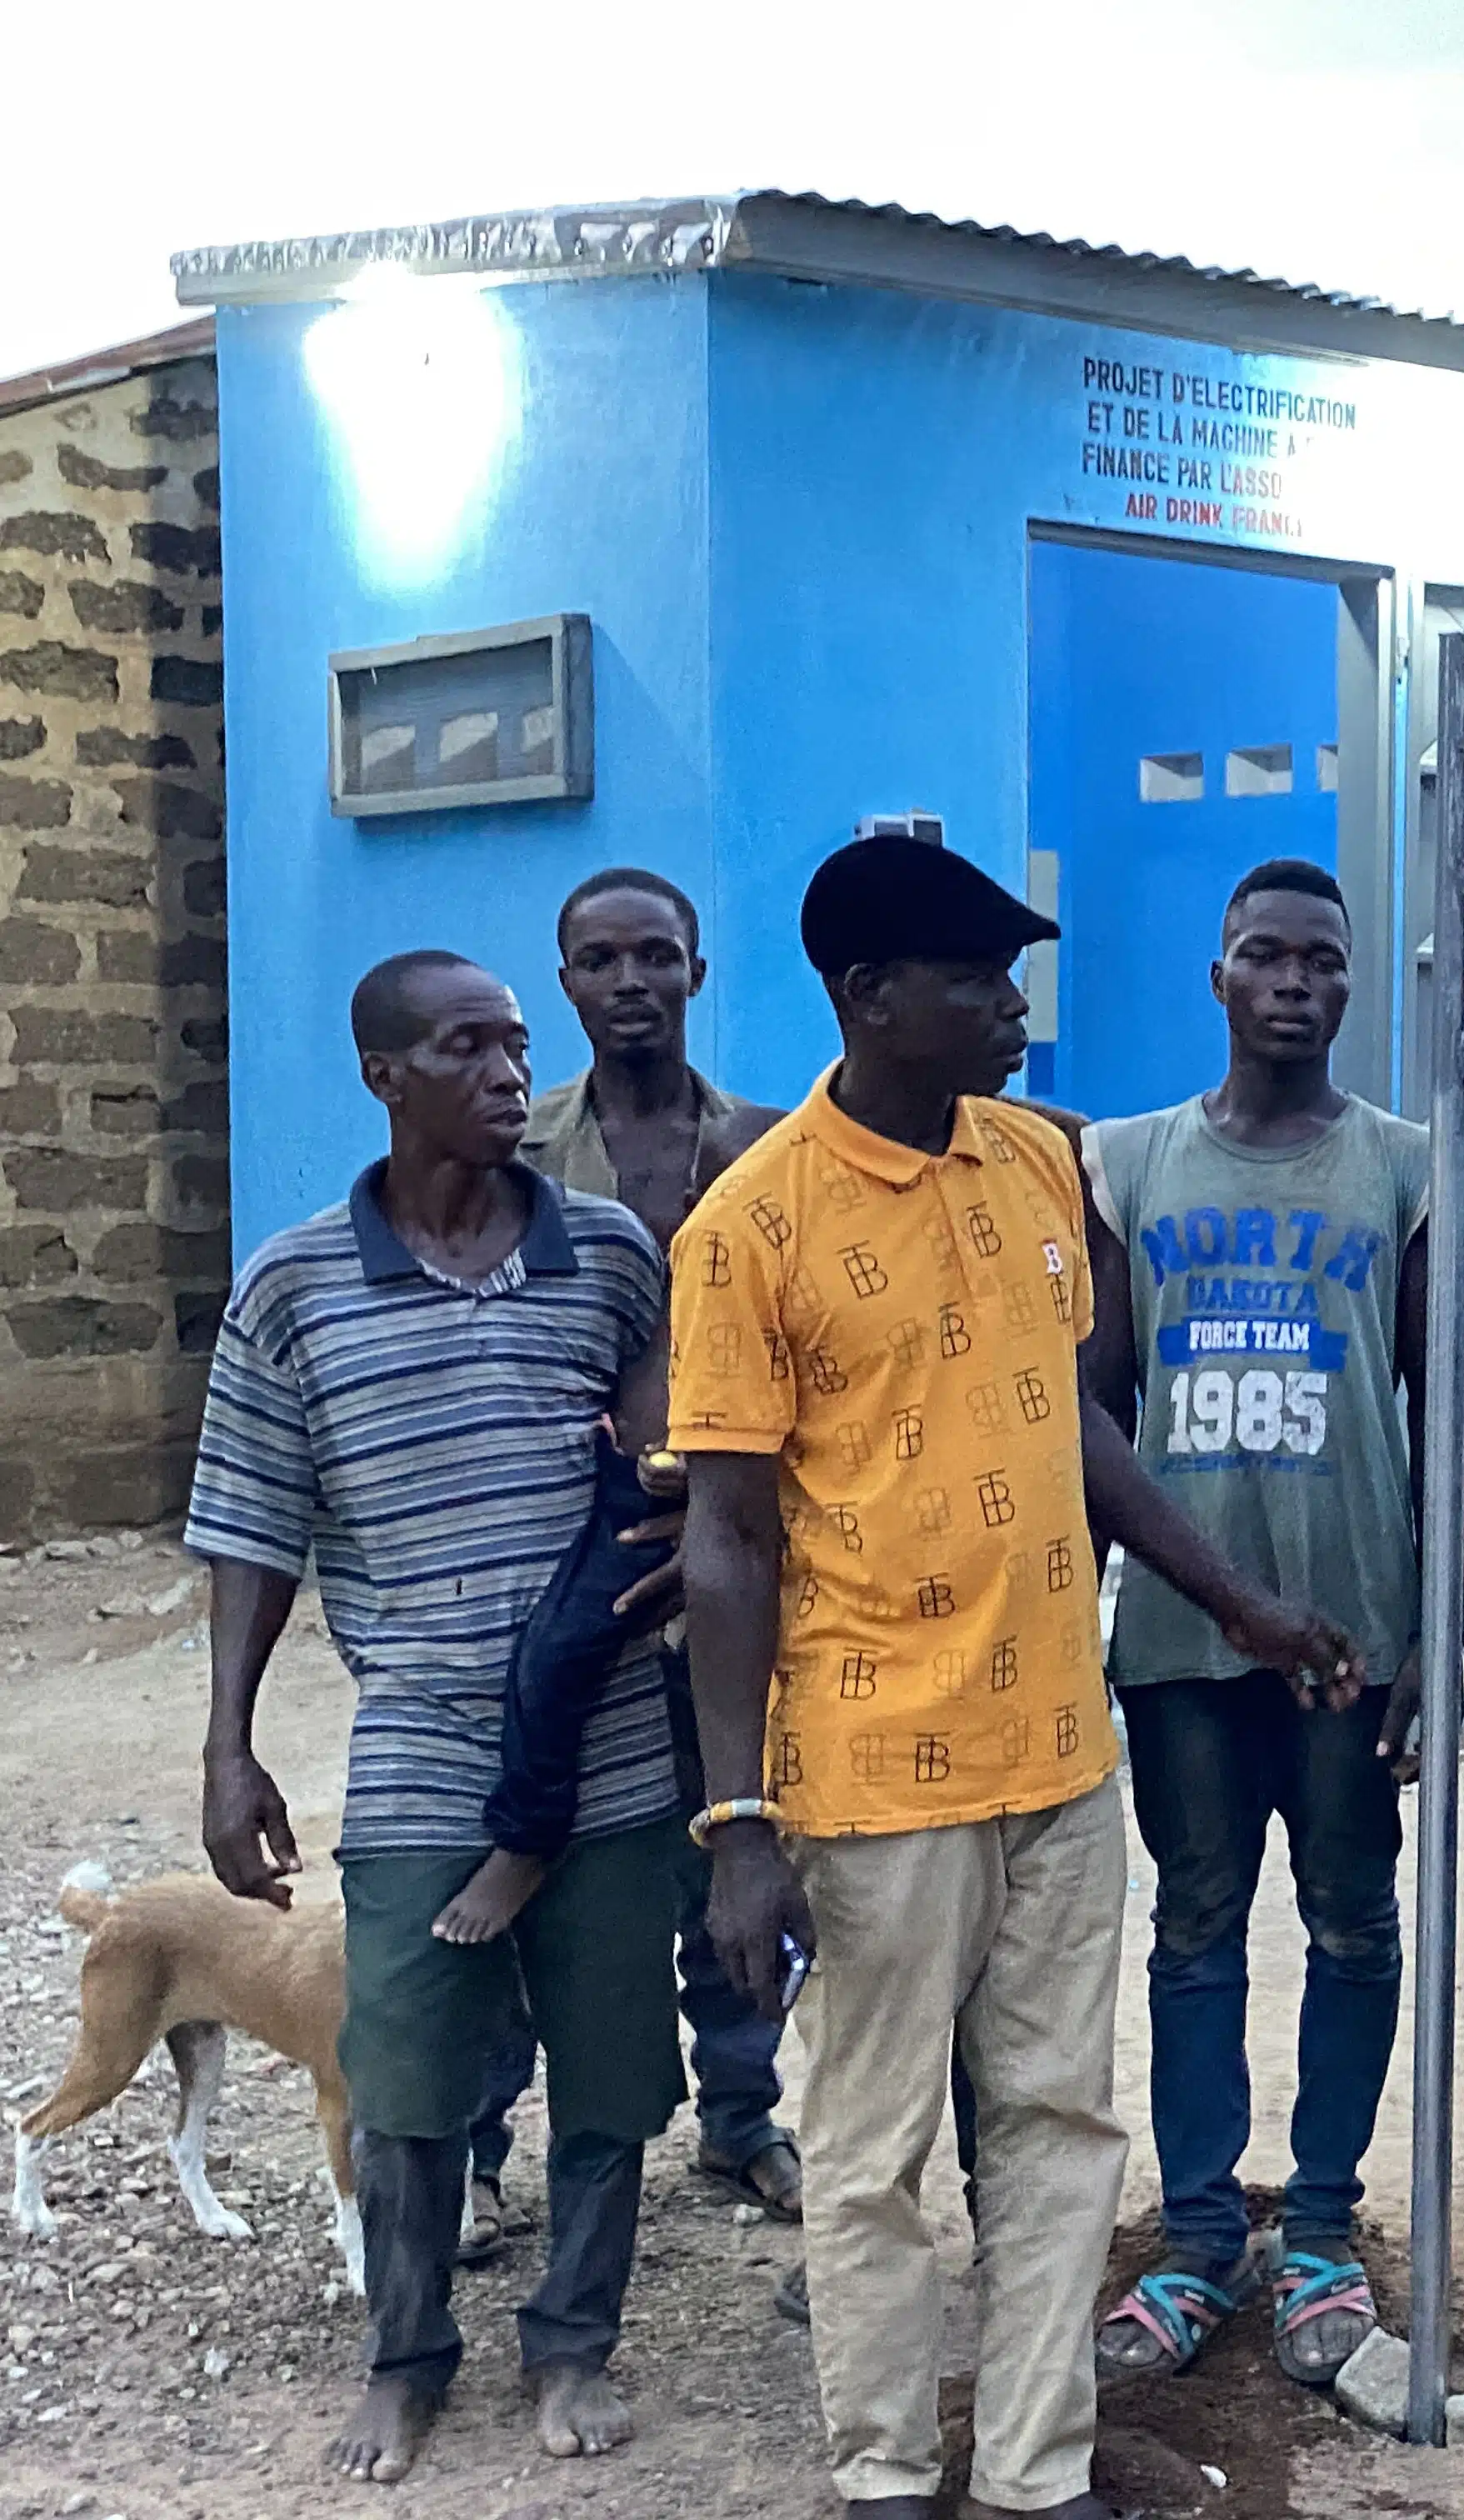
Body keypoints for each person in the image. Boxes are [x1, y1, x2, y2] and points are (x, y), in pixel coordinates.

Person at [672, 832, 1356, 2520]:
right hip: (872, 1765)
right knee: (874, 2154)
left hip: (1061, 1746)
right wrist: (740, 1823)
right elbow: (728, 1543)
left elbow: (1083, 1433)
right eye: (978, 982)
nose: (1013, 1009)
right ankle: (890, 2472)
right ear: (868, 998)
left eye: (1012, 975)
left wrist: (1240, 1601)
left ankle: (1043, 2474)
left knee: (1058, 2128)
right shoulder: (750, 1226)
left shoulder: (1039, 1166)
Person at [191, 950, 687, 2486]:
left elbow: (670, 1475)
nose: (501, 1074)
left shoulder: (608, 1259)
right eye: (465, 1048)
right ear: (382, 1075)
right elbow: (254, 1526)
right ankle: (405, 2357)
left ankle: (572, 2345)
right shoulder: (293, 1287)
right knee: (405, 2073)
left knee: (612, 2070)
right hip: (411, 1746)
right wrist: (229, 1741)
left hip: (610, 1743)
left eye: (512, 1047)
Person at [1081, 856, 1464, 2388]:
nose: (1295, 981)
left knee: (1354, 1922)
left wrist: (1433, 1632)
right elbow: (1097, 1411)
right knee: (1192, 1924)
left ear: (1352, 983)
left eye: (1324, 960)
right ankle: (1194, 2240)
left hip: (1349, 1636)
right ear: (1220, 977)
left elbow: (1444, 1407)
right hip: (1183, 1635)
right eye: (1265, 957)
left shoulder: (1403, 1163)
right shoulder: (1130, 1161)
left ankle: (1318, 2227)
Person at [459, 866, 799, 2256]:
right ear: (567, 981)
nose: (631, 982)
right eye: (599, 960)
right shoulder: (510, 1154)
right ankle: (482, 2148)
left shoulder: (769, 1149)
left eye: (656, 955)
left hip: (719, 1555)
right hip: (557, 1557)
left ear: (698, 972)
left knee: (727, 1829)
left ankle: (740, 2116)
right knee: (533, 1850)